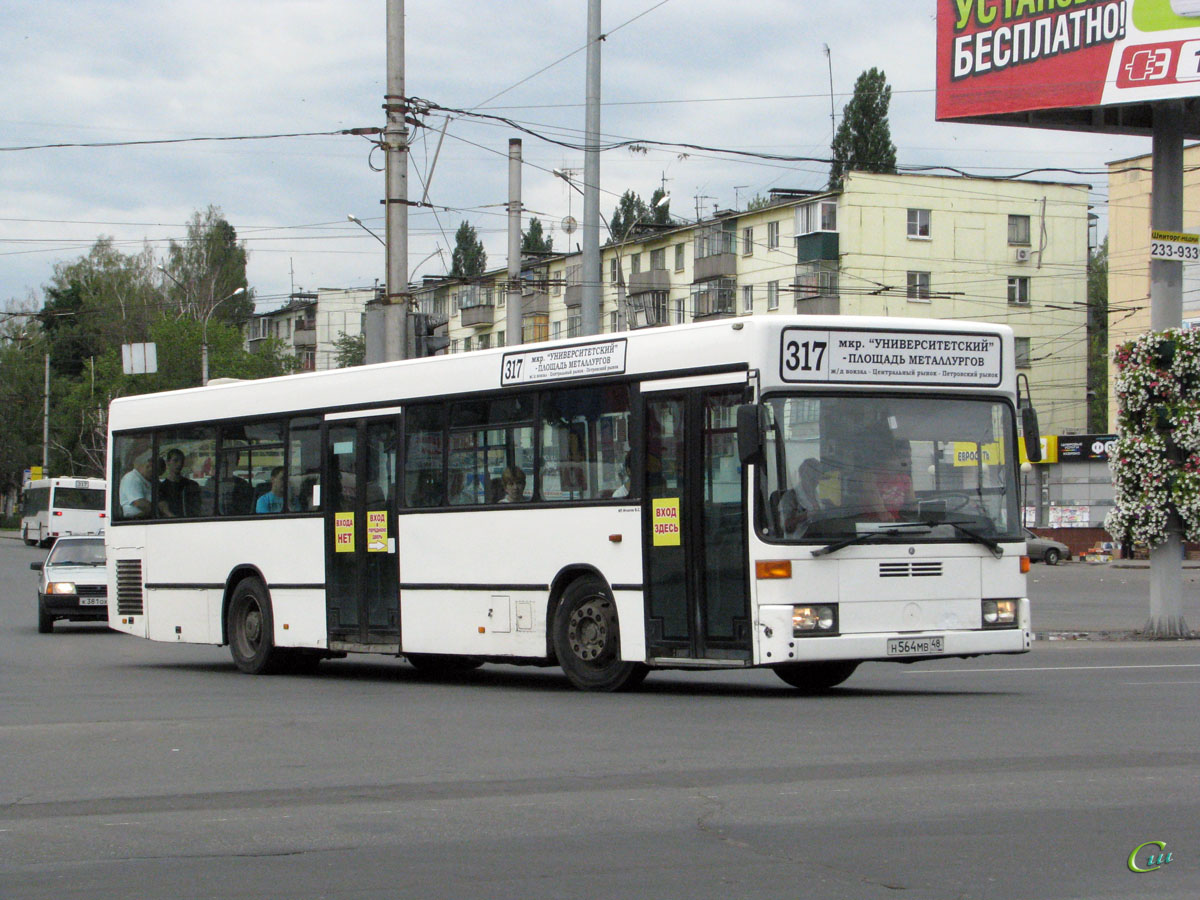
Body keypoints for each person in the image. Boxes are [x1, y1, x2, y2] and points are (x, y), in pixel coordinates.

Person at [779, 459, 822, 537]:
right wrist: (806, 515)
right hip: (798, 542)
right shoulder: (790, 497)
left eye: (817, 475)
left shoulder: (819, 496)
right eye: (811, 475)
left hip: (819, 539)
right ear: (802, 475)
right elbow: (787, 527)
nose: (815, 479)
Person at [158, 448, 201, 517]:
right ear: (168, 462)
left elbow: (198, 507)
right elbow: (164, 509)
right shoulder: (161, 488)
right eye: (175, 460)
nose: (179, 464)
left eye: (181, 461)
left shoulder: (191, 485)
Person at [119, 451, 155, 519]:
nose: (155, 476)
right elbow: (139, 503)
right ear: (147, 466)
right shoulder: (132, 478)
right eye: (155, 472)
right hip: (136, 520)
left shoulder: (145, 479)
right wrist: (158, 512)